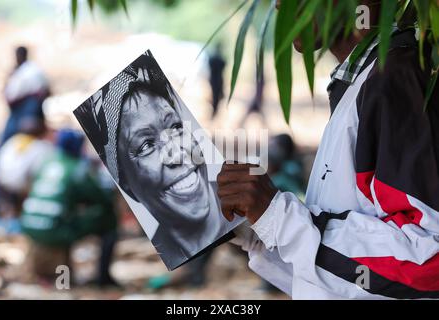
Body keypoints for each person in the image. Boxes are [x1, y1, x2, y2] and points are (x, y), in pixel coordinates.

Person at [217, 0, 439, 299]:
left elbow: (429, 266)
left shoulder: (396, 78)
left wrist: (281, 221)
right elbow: (349, 280)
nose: (278, 4)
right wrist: (260, 230)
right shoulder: (363, 82)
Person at [75, 51, 232, 270]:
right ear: (126, 184)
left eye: (176, 128)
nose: (176, 154)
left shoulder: (242, 204)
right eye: (146, 145)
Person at [20, 129, 118, 287]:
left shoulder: (45, 162)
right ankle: (103, 278)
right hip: (55, 229)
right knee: (109, 219)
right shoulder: (77, 168)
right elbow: (102, 199)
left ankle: (58, 277)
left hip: (29, 224)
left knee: (66, 217)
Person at [0, 46, 50, 214]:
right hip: (23, 131)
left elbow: (9, 97)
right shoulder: (33, 73)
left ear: (20, 56)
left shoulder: (26, 74)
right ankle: (5, 204)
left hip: (21, 130)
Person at [0, 117, 53, 217]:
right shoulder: (40, 146)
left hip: (2, 181)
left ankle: (11, 209)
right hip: (22, 185)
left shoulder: (13, 140)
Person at [208, 43, 226, 119]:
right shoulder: (220, 59)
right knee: (216, 96)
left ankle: (214, 111)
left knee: (216, 96)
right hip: (217, 80)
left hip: (214, 80)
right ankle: (214, 111)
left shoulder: (213, 59)